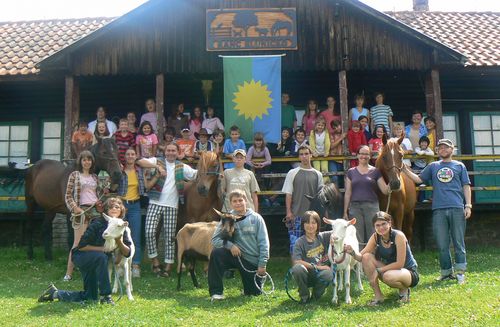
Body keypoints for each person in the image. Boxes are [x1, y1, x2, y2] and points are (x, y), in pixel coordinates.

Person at [38, 197, 132, 305]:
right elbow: (81, 246)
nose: (114, 209)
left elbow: (127, 253)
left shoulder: (121, 226)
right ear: (105, 210)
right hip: (82, 256)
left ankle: (55, 294)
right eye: (110, 207)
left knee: (90, 297)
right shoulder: (97, 223)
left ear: (121, 210)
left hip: (97, 262)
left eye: (117, 207)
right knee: (101, 256)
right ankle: (106, 296)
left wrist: (119, 241)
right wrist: (103, 249)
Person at [403, 139, 472, 284]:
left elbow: (466, 186)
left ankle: (460, 272)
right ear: (437, 151)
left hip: (457, 207)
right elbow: (418, 179)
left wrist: (468, 205)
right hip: (438, 209)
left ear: (452, 149)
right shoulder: (433, 166)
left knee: (458, 242)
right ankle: (446, 272)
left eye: (446, 147)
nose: (442, 149)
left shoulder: (460, 166)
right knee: (442, 243)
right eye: (440, 147)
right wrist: (404, 169)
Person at [137, 143, 197, 277]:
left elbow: (196, 175)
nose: (170, 153)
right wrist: (157, 167)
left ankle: (168, 267)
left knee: (170, 237)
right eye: (168, 150)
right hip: (155, 202)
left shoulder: (182, 166)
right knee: (149, 232)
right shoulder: (156, 161)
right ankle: (155, 262)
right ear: (165, 151)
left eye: (173, 150)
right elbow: (139, 161)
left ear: (177, 152)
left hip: (172, 205)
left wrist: (218, 173)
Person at [345, 211, 419, 305]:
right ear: (374, 227)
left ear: (390, 223)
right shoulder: (376, 237)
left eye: (384, 224)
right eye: (377, 225)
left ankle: (404, 289)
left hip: (408, 272)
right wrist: (352, 252)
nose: (381, 227)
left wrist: (379, 270)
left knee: (388, 276)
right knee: (366, 257)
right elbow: (361, 257)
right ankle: (378, 296)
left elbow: (400, 264)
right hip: (389, 270)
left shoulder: (398, 236)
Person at [208, 189, 270, 301]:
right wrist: (230, 246)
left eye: (240, 200)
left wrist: (262, 264)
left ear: (245, 201)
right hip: (234, 256)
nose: (238, 203)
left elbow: (264, 243)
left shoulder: (256, 218)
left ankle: (253, 285)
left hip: (251, 261)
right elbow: (215, 240)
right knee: (216, 253)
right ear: (230, 203)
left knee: (253, 293)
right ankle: (216, 292)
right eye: (234, 201)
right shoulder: (227, 218)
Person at [63, 150, 104, 282]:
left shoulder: (95, 177)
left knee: (94, 241)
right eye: (84, 159)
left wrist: (99, 203)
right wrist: (75, 208)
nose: (87, 162)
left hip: (95, 211)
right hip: (81, 210)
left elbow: (99, 194)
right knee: (78, 243)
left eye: (89, 159)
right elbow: (68, 195)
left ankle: (92, 271)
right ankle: (68, 273)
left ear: (92, 162)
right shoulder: (75, 175)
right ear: (80, 161)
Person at [343, 145, 390, 245]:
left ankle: (372, 257)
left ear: (370, 156)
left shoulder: (375, 171)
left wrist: (392, 182)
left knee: (373, 234)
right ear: (357, 155)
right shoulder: (351, 172)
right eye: (361, 153)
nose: (364, 156)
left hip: (372, 206)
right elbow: (348, 193)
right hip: (355, 207)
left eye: (366, 154)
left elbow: (385, 190)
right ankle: (359, 259)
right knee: (356, 235)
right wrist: (345, 212)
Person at [282, 145, 324, 253]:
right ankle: (295, 269)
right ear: (299, 157)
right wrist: (289, 212)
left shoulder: (318, 174)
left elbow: (320, 197)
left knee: (313, 248)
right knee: (295, 247)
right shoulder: (292, 173)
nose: (304, 156)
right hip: (296, 216)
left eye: (306, 154)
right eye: (301, 154)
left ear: (311, 155)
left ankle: (312, 269)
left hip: (313, 218)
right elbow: (288, 194)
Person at [290, 210, 334, 303]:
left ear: (318, 224)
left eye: (313, 223)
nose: (310, 226)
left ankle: (315, 297)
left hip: (321, 275)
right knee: (297, 268)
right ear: (303, 225)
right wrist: (318, 267)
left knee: (328, 273)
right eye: (307, 222)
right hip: (306, 275)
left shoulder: (324, 236)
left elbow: (339, 230)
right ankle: (304, 297)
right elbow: (296, 262)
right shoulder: (299, 242)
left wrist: (335, 239)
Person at [118, 147, 146, 278]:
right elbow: (113, 186)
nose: (130, 156)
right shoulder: (120, 170)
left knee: (135, 236)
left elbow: (146, 186)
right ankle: (121, 264)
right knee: (120, 236)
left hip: (135, 205)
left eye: (132, 154)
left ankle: (135, 265)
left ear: (136, 156)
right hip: (122, 206)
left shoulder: (139, 171)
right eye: (128, 154)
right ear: (125, 156)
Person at [309, 117, 330, 182]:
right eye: (319, 125)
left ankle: (325, 183)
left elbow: (327, 142)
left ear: (324, 126)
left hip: (324, 154)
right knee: (316, 169)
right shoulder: (312, 132)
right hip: (316, 154)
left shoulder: (326, 132)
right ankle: (317, 184)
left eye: (322, 125)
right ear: (315, 125)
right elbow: (311, 142)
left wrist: (327, 152)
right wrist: (313, 152)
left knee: (325, 170)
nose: (320, 127)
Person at [413, 136, 434, 202]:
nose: (423, 144)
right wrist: (424, 152)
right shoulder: (417, 148)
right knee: (417, 183)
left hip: (424, 167)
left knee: (425, 183)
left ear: (427, 144)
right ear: (420, 143)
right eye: (422, 142)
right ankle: (417, 199)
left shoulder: (428, 149)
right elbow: (419, 153)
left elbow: (432, 153)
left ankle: (426, 198)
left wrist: (425, 152)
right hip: (416, 166)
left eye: (425, 143)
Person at [329, 120, 346, 186]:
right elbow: (331, 146)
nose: (336, 128)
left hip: (343, 159)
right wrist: (341, 138)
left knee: (342, 179)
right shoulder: (332, 135)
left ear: (341, 125)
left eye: (337, 126)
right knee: (334, 177)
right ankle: (335, 195)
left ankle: (342, 195)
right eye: (334, 128)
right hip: (333, 158)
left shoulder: (346, 133)